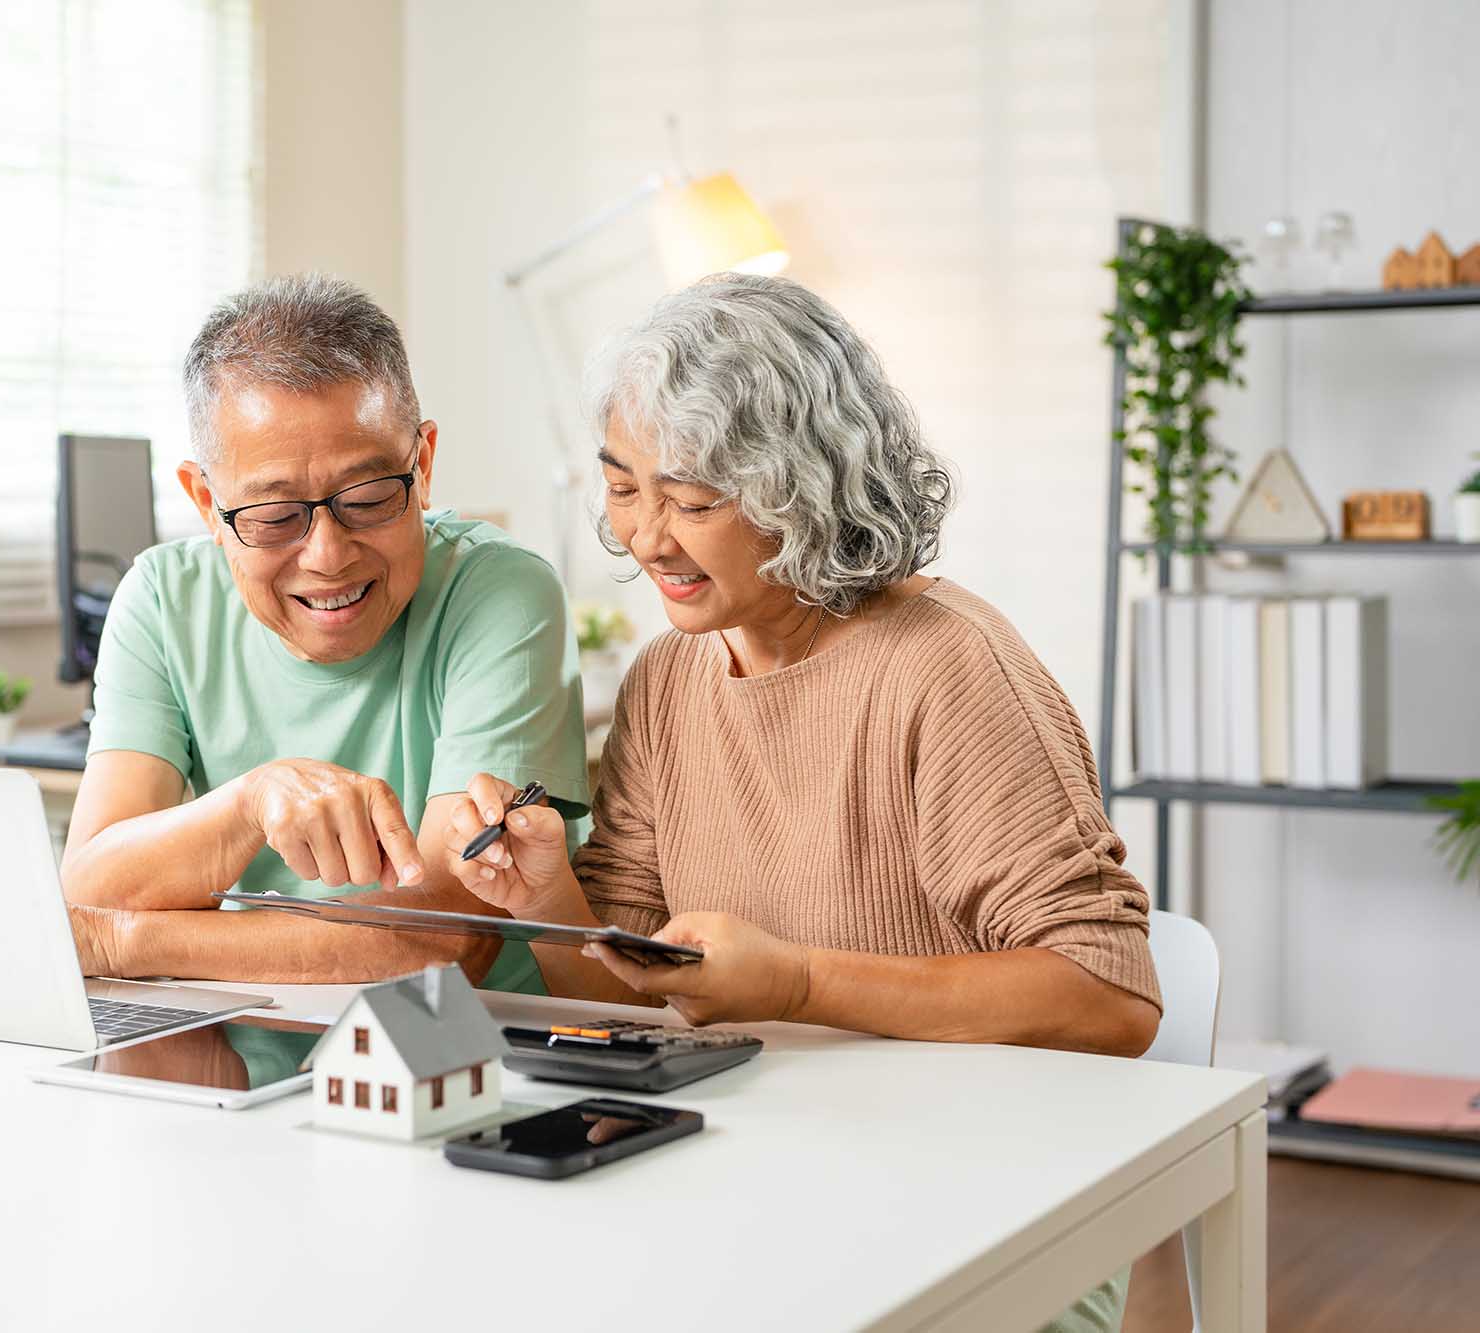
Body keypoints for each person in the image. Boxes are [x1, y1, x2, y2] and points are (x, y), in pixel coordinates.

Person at [444, 272, 1157, 1332]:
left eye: (690, 499)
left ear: (804, 487)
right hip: (751, 1184)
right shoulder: (667, 681)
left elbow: (1108, 997)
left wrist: (797, 980)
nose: (644, 537)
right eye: (623, 487)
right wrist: (549, 893)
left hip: (974, 1206)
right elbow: (629, 995)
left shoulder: (945, 670)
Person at [64, 274, 589, 990]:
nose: (327, 555)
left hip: (458, 1069)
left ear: (423, 465)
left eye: (368, 500)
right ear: (205, 503)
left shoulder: (502, 594)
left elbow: (443, 936)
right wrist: (252, 801)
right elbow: (89, 880)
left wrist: (124, 941)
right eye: (276, 516)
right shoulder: (160, 598)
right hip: (228, 1057)